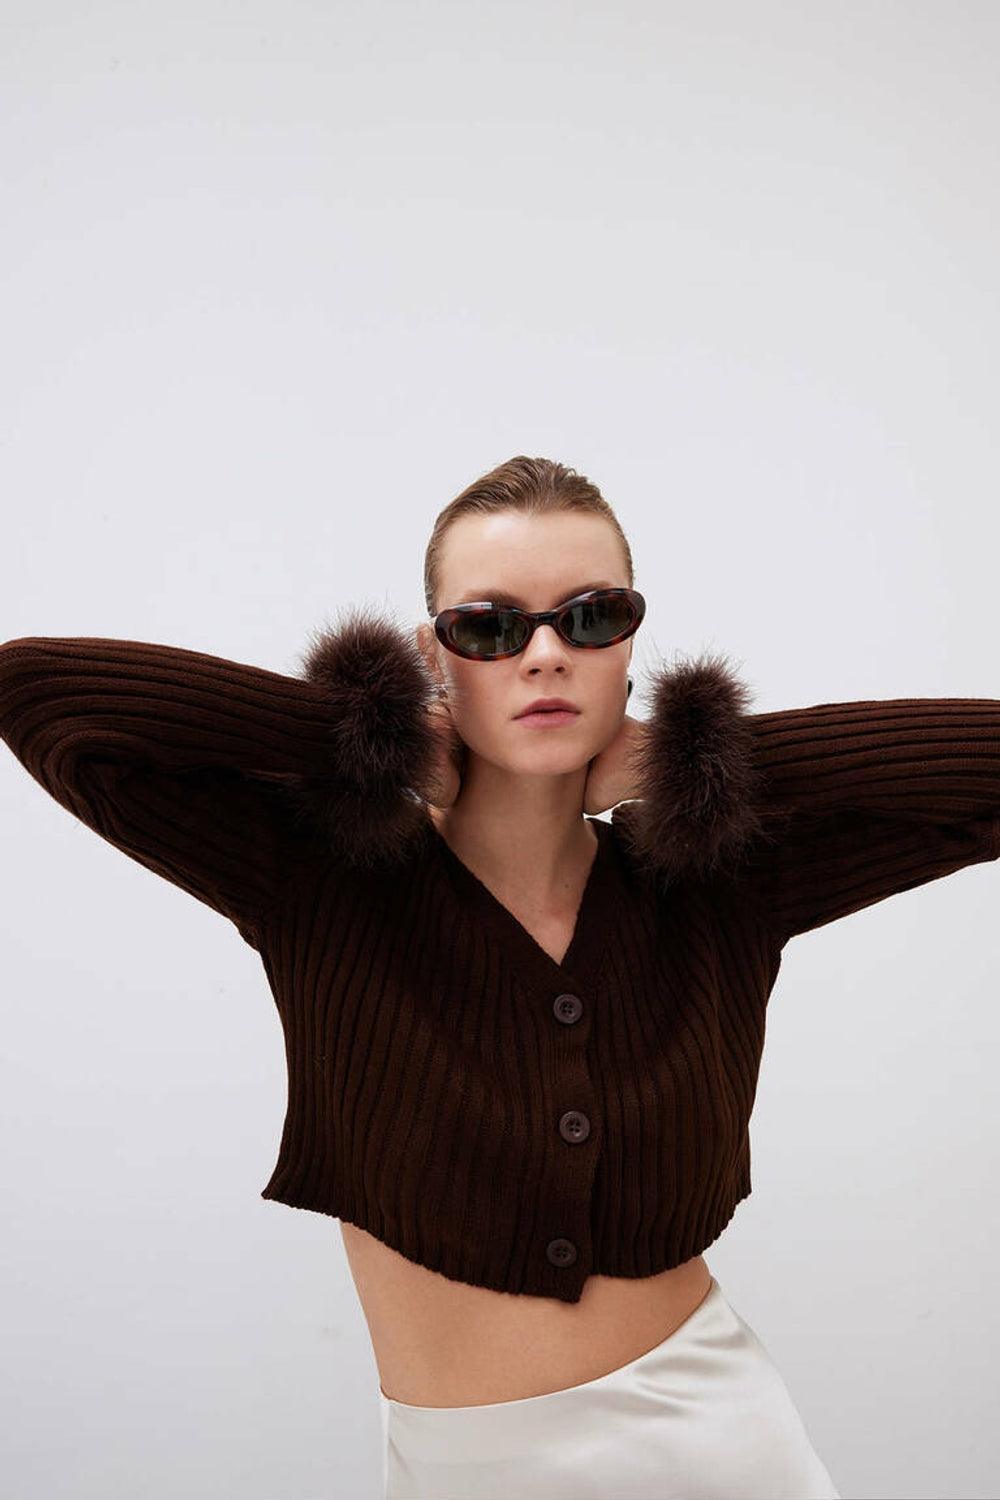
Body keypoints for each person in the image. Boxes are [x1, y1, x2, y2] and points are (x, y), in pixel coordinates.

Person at [5, 455, 999, 1498]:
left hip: (720, 1452)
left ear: (631, 643)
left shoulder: (720, 885)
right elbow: (43, 698)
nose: (545, 655)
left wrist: (701, 762)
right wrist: (372, 738)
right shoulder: (319, 881)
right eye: (489, 627)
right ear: (432, 656)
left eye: (591, 617)